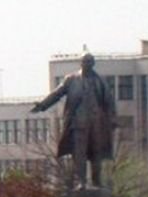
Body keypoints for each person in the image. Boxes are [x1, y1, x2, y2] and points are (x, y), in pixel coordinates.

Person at [30, 52, 117, 189]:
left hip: (96, 123)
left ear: (93, 63)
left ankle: (96, 181)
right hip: (78, 123)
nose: (87, 64)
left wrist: (112, 118)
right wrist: (42, 105)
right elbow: (57, 93)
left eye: (90, 61)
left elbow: (109, 101)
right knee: (79, 154)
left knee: (96, 153)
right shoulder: (71, 79)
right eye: (85, 61)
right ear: (80, 63)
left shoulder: (100, 81)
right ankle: (81, 182)